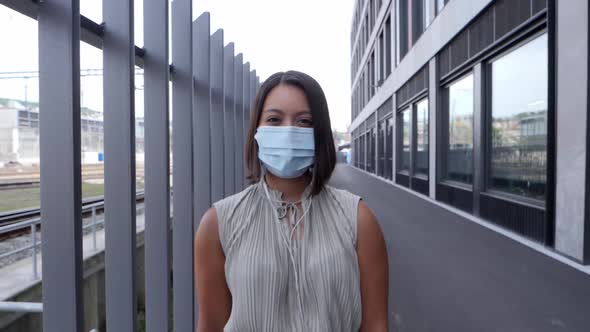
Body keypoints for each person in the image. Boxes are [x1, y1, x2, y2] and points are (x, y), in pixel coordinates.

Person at [194, 70, 389, 332]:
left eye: (304, 121)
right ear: (256, 131)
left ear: (319, 132)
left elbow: (375, 325)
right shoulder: (219, 223)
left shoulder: (357, 218)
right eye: (274, 119)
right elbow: (211, 325)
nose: (288, 132)